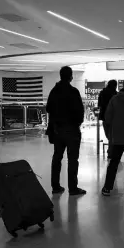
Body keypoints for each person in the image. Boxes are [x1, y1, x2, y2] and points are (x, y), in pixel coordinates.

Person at [46, 66, 86, 196]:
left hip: (57, 130)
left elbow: (48, 109)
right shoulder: (73, 91)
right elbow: (80, 111)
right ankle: (73, 188)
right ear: (70, 76)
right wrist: (77, 124)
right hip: (72, 130)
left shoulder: (54, 91)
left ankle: (55, 186)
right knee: (73, 159)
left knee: (57, 157)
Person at [98, 80, 118, 159]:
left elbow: (100, 104)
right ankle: (111, 152)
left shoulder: (102, 93)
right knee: (112, 135)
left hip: (104, 117)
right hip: (113, 117)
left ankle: (111, 151)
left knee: (109, 135)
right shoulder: (115, 94)